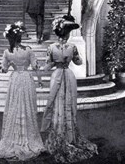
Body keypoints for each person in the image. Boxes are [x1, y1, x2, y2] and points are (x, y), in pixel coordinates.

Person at [41, 15, 98, 162]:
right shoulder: (72, 47)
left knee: (55, 103)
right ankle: (69, 136)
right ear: (67, 34)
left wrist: (42, 67)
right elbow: (78, 63)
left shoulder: (51, 47)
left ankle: (57, 133)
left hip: (57, 75)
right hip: (68, 74)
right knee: (69, 103)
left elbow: (48, 65)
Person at [0, 22, 45, 161]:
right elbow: (36, 67)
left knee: (15, 106)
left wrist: (3, 66)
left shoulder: (8, 52)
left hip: (16, 79)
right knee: (27, 107)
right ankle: (28, 137)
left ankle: (15, 138)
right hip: (27, 79)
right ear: (20, 38)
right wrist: (40, 81)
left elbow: (3, 70)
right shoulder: (28, 50)